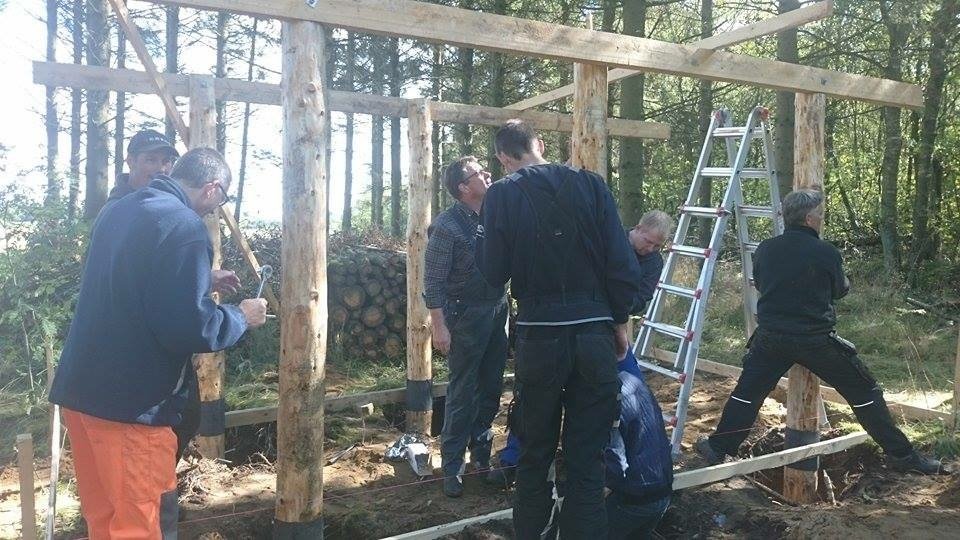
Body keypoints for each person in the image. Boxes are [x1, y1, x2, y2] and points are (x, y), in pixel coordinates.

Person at [49, 148, 269, 539]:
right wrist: (241, 316)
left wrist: (200, 277)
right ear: (212, 188)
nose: (215, 209)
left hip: (82, 398)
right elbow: (191, 329)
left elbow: (129, 279)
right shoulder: (185, 225)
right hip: (132, 409)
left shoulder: (120, 209)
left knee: (104, 521)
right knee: (140, 527)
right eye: (221, 200)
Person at [696, 189, 943, 475]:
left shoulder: (766, 248)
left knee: (747, 394)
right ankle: (902, 456)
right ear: (809, 219)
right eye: (820, 214)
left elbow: (761, 284)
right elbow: (840, 290)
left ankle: (719, 448)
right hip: (814, 341)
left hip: (771, 338)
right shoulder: (826, 252)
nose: (821, 218)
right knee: (865, 392)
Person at [476, 119, 642, 538]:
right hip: (594, 334)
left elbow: (493, 272)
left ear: (502, 157)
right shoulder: (592, 185)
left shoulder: (501, 194)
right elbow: (622, 265)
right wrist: (618, 322)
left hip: (540, 336)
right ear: (541, 145)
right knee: (588, 457)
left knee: (535, 454)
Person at [425, 156, 509, 498]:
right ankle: (452, 467)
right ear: (463, 187)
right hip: (464, 316)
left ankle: (481, 458)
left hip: (497, 311)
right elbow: (433, 282)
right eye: (478, 173)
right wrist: (439, 326)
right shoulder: (446, 226)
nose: (487, 174)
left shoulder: (494, 215)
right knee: (462, 392)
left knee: (491, 388)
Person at [106, 129, 179, 207]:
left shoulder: (175, 202)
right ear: (130, 161)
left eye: (166, 161)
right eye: (151, 160)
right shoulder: (117, 209)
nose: (161, 169)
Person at [627, 210, 672, 315]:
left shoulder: (655, 262)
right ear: (638, 228)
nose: (650, 249)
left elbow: (643, 295)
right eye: (648, 242)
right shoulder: (611, 240)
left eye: (657, 246)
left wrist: (622, 306)